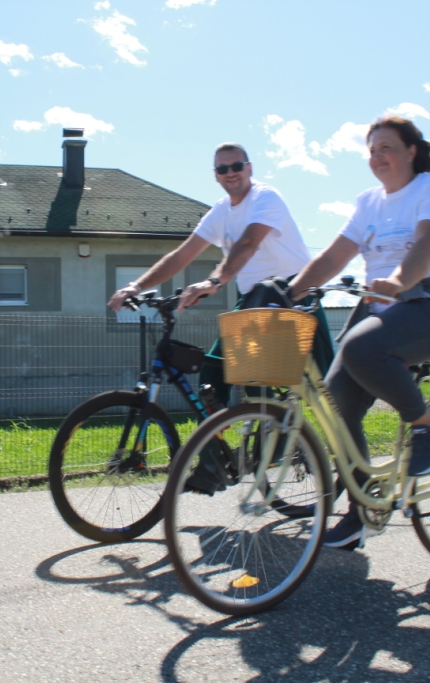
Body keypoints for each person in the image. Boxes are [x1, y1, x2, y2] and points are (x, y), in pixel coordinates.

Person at [289, 116, 430, 550]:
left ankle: (428, 427)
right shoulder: (368, 202)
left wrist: (400, 280)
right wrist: (287, 293)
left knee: (362, 346)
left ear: (411, 151)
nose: (377, 156)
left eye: (386, 147)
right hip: (385, 307)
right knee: (336, 399)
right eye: (371, 150)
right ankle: (363, 509)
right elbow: (333, 257)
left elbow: (429, 242)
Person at [107, 142, 312, 493]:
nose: (230, 173)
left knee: (261, 381)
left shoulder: (266, 198)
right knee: (212, 371)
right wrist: (136, 286)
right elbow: (182, 255)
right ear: (215, 175)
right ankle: (216, 459)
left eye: (236, 166)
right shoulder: (220, 212)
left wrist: (214, 282)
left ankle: (278, 437)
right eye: (222, 169)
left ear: (249, 168)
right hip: (253, 302)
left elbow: (247, 244)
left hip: (291, 296)